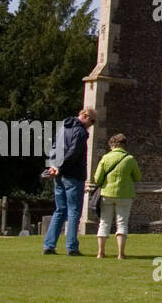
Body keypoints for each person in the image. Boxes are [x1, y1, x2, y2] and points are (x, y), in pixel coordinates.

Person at [42, 107, 96, 256]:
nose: (92, 125)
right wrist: (60, 167)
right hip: (73, 175)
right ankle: (72, 247)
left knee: (60, 210)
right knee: (74, 211)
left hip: (58, 175)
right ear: (84, 116)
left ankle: (49, 245)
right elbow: (74, 153)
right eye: (92, 121)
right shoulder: (80, 132)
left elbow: (53, 148)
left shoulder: (62, 128)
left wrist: (53, 166)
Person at [92, 133, 141, 260]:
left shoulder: (105, 158)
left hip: (106, 194)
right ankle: (120, 254)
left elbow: (97, 179)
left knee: (104, 223)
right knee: (122, 223)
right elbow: (137, 177)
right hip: (125, 195)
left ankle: (100, 253)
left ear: (112, 144)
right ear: (124, 145)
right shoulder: (130, 159)